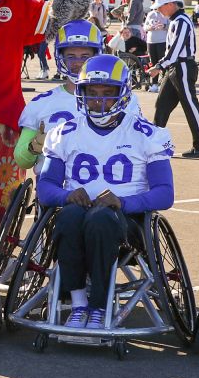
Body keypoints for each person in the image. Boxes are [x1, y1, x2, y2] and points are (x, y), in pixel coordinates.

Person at [38, 55, 174, 328]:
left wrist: (122, 203)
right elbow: (45, 188)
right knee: (68, 216)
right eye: (92, 93)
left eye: (108, 93)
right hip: (77, 218)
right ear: (81, 94)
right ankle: (78, 303)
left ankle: (98, 306)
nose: (99, 101)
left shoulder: (147, 134)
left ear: (123, 94)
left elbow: (165, 194)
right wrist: (67, 195)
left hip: (127, 222)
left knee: (100, 218)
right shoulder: (64, 133)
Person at [14, 20, 139, 170]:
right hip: (55, 188)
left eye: (85, 55)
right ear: (61, 56)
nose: (78, 62)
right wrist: (33, 148)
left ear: (97, 54)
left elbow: (140, 148)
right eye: (71, 56)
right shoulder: (41, 103)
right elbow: (21, 160)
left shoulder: (123, 99)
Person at [148, 0, 199, 157]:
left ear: (169, 5)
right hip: (174, 68)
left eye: (160, 7)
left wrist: (159, 66)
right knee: (162, 105)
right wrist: (161, 65)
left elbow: (175, 50)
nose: (159, 11)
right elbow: (172, 51)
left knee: (190, 106)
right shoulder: (175, 21)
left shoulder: (181, 21)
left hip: (182, 67)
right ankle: (154, 144)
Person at [141, 4, 167, 92]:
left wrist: (163, 26)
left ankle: (163, 83)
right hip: (151, 41)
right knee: (153, 62)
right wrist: (150, 27)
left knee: (162, 62)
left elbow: (170, 26)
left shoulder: (165, 14)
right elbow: (145, 27)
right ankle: (154, 84)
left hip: (162, 41)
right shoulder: (150, 14)